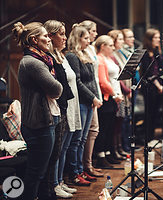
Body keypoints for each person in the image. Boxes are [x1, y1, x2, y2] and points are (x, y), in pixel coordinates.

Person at [12, 22, 62, 200]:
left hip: (49, 118)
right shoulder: (32, 63)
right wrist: (57, 85)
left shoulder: (42, 59)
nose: (49, 39)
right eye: (45, 36)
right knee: (36, 173)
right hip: (38, 123)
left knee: (45, 170)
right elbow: (57, 89)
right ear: (34, 39)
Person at [44, 20, 79, 198]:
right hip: (58, 107)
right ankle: (55, 183)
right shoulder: (49, 57)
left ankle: (59, 181)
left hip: (67, 105)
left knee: (63, 148)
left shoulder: (60, 55)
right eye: (61, 34)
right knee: (57, 150)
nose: (65, 38)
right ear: (50, 36)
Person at [66, 24, 102, 185]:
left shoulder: (84, 53)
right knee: (77, 140)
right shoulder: (72, 56)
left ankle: (81, 170)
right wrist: (92, 97)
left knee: (83, 139)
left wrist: (95, 98)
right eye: (86, 38)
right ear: (78, 39)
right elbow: (78, 82)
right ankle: (74, 173)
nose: (89, 41)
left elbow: (92, 80)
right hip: (81, 102)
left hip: (89, 102)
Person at [79, 20, 104, 177]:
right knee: (86, 132)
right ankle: (84, 166)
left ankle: (88, 164)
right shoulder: (81, 51)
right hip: (87, 96)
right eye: (93, 31)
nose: (95, 34)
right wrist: (93, 96)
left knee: (94, 130)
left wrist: (98, 95)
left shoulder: (91, 49)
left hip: (95, 92)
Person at [94, 35, 123, 168]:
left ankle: (108, 153)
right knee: (104, 128)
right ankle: (101, 156)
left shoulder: (109, 58)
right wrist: (113, 94)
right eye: (110, 45)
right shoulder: (100, 59)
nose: (113, 47)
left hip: (113, 96)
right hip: (107, 97)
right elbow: (103, 82)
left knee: (110, 127)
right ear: (103, 46)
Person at [108, 29, 130, 159]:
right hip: (117, 92)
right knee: (116, 123)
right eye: (120, 39)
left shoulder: (120, 54)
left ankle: (120, 147)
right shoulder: (112, 56)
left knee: (121, 121)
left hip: (122, 91)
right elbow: (118, 77)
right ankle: (115, 149)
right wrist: (126, 90)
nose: (122, 42)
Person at [140, 28, 163, 141]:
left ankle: (152, 136)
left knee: (155, 112)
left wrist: (162, 84)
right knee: (149, 113)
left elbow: (161, 69)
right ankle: (147, 138)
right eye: (156, 38)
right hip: (149, 87)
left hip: (158, 86)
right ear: (149, 39)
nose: (158, 40)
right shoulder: (144, 53)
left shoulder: (156, 52)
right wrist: (159, 86)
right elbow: (148, 72)